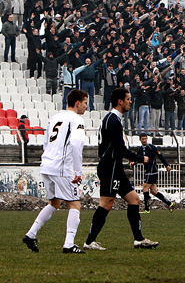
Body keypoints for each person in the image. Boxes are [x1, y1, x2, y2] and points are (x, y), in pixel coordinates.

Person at [84, 88, 158, 250]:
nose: (130, 101)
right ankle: (89, 242)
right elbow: (120, 149)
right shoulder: (112, 120)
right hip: (109, 167)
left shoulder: (114, 119)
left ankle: (139, 239)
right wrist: (140, 158)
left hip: (115, 167)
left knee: (134, 200)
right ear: (120, 101)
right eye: (128, 99)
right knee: (106, 203)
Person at [23, 90, 89, 253]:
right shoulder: (77, 119)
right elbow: (76, 144)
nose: (87, 107)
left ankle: (31, 234)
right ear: (78, 103)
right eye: (86, 103)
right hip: (61, 167)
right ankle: (69, 244)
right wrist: (78, 171)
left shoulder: (55, 117)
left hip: (47, 164)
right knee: (75, 204)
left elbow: (46, 142)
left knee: (54, 202)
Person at [130, 133, 175, 213]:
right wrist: (133, 163)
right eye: (142, 139)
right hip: (148, 171)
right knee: (154, 191)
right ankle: (169, 203)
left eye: (145, 139)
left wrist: (167, 165)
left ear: (147, 139)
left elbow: (160, 156)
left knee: (145, 188)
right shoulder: (140, 149)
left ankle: (147, 209)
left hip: (152, 171)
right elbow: (139, 159)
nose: (144, 140)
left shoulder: (151, 147)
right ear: (140, 140)